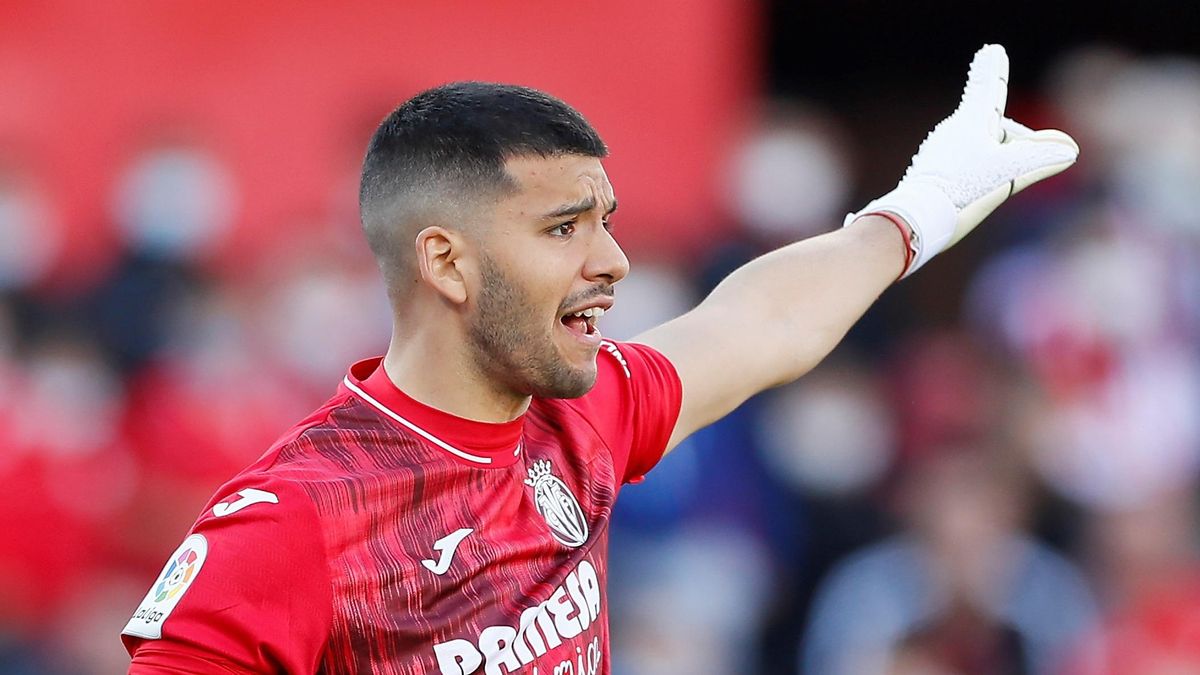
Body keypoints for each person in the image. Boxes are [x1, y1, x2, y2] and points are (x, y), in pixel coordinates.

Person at [121, 45, 1078, 674]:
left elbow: (755, 327)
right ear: (447, 263)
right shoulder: (297, 518)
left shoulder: (580, 416)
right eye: (564, 227)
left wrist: (910, 217)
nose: (611, 261)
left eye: (606, 222)